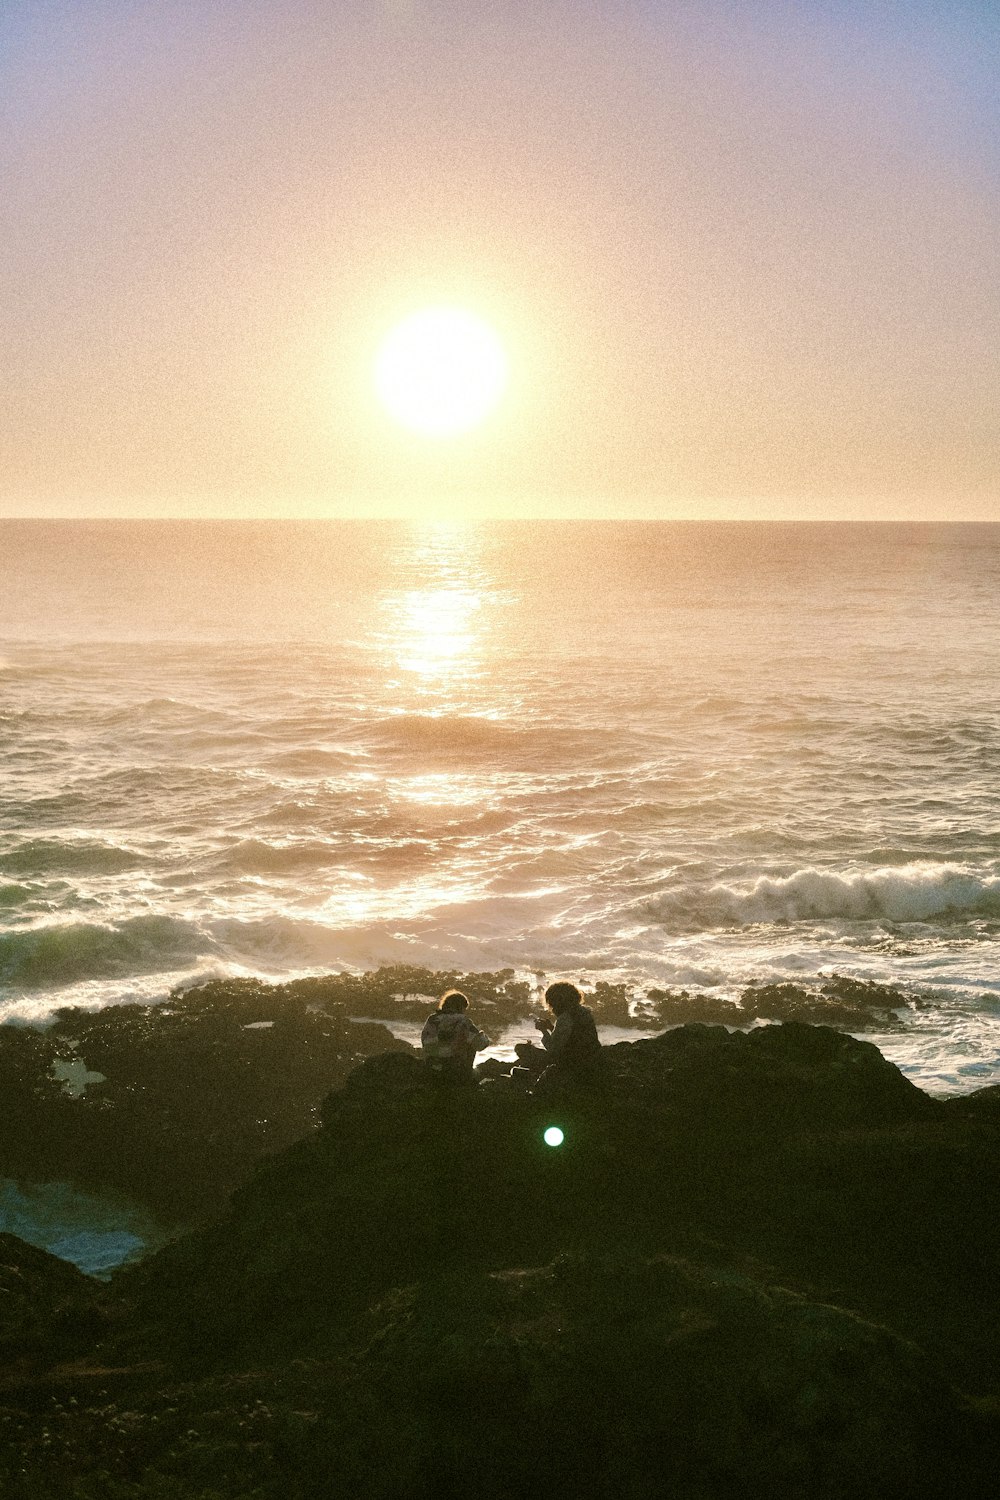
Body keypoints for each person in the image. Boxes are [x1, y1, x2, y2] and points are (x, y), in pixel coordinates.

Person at [514, 981, 604, 1087]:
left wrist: (543, 1030)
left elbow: (553, 1049)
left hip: (572, 1064)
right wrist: (551, 1028)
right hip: (591, 1059)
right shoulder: (584, 1012)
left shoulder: (565, 1018)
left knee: (522, 1049)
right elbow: (571, 1037)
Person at [421, 990, 491, 1084]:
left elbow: (424, 1041)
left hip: (432, 1069)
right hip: (457, 1072)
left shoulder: (432, 1019)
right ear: (461, 1007)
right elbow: (481, 1044)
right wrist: (484, 1036)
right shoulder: (463, 1021)